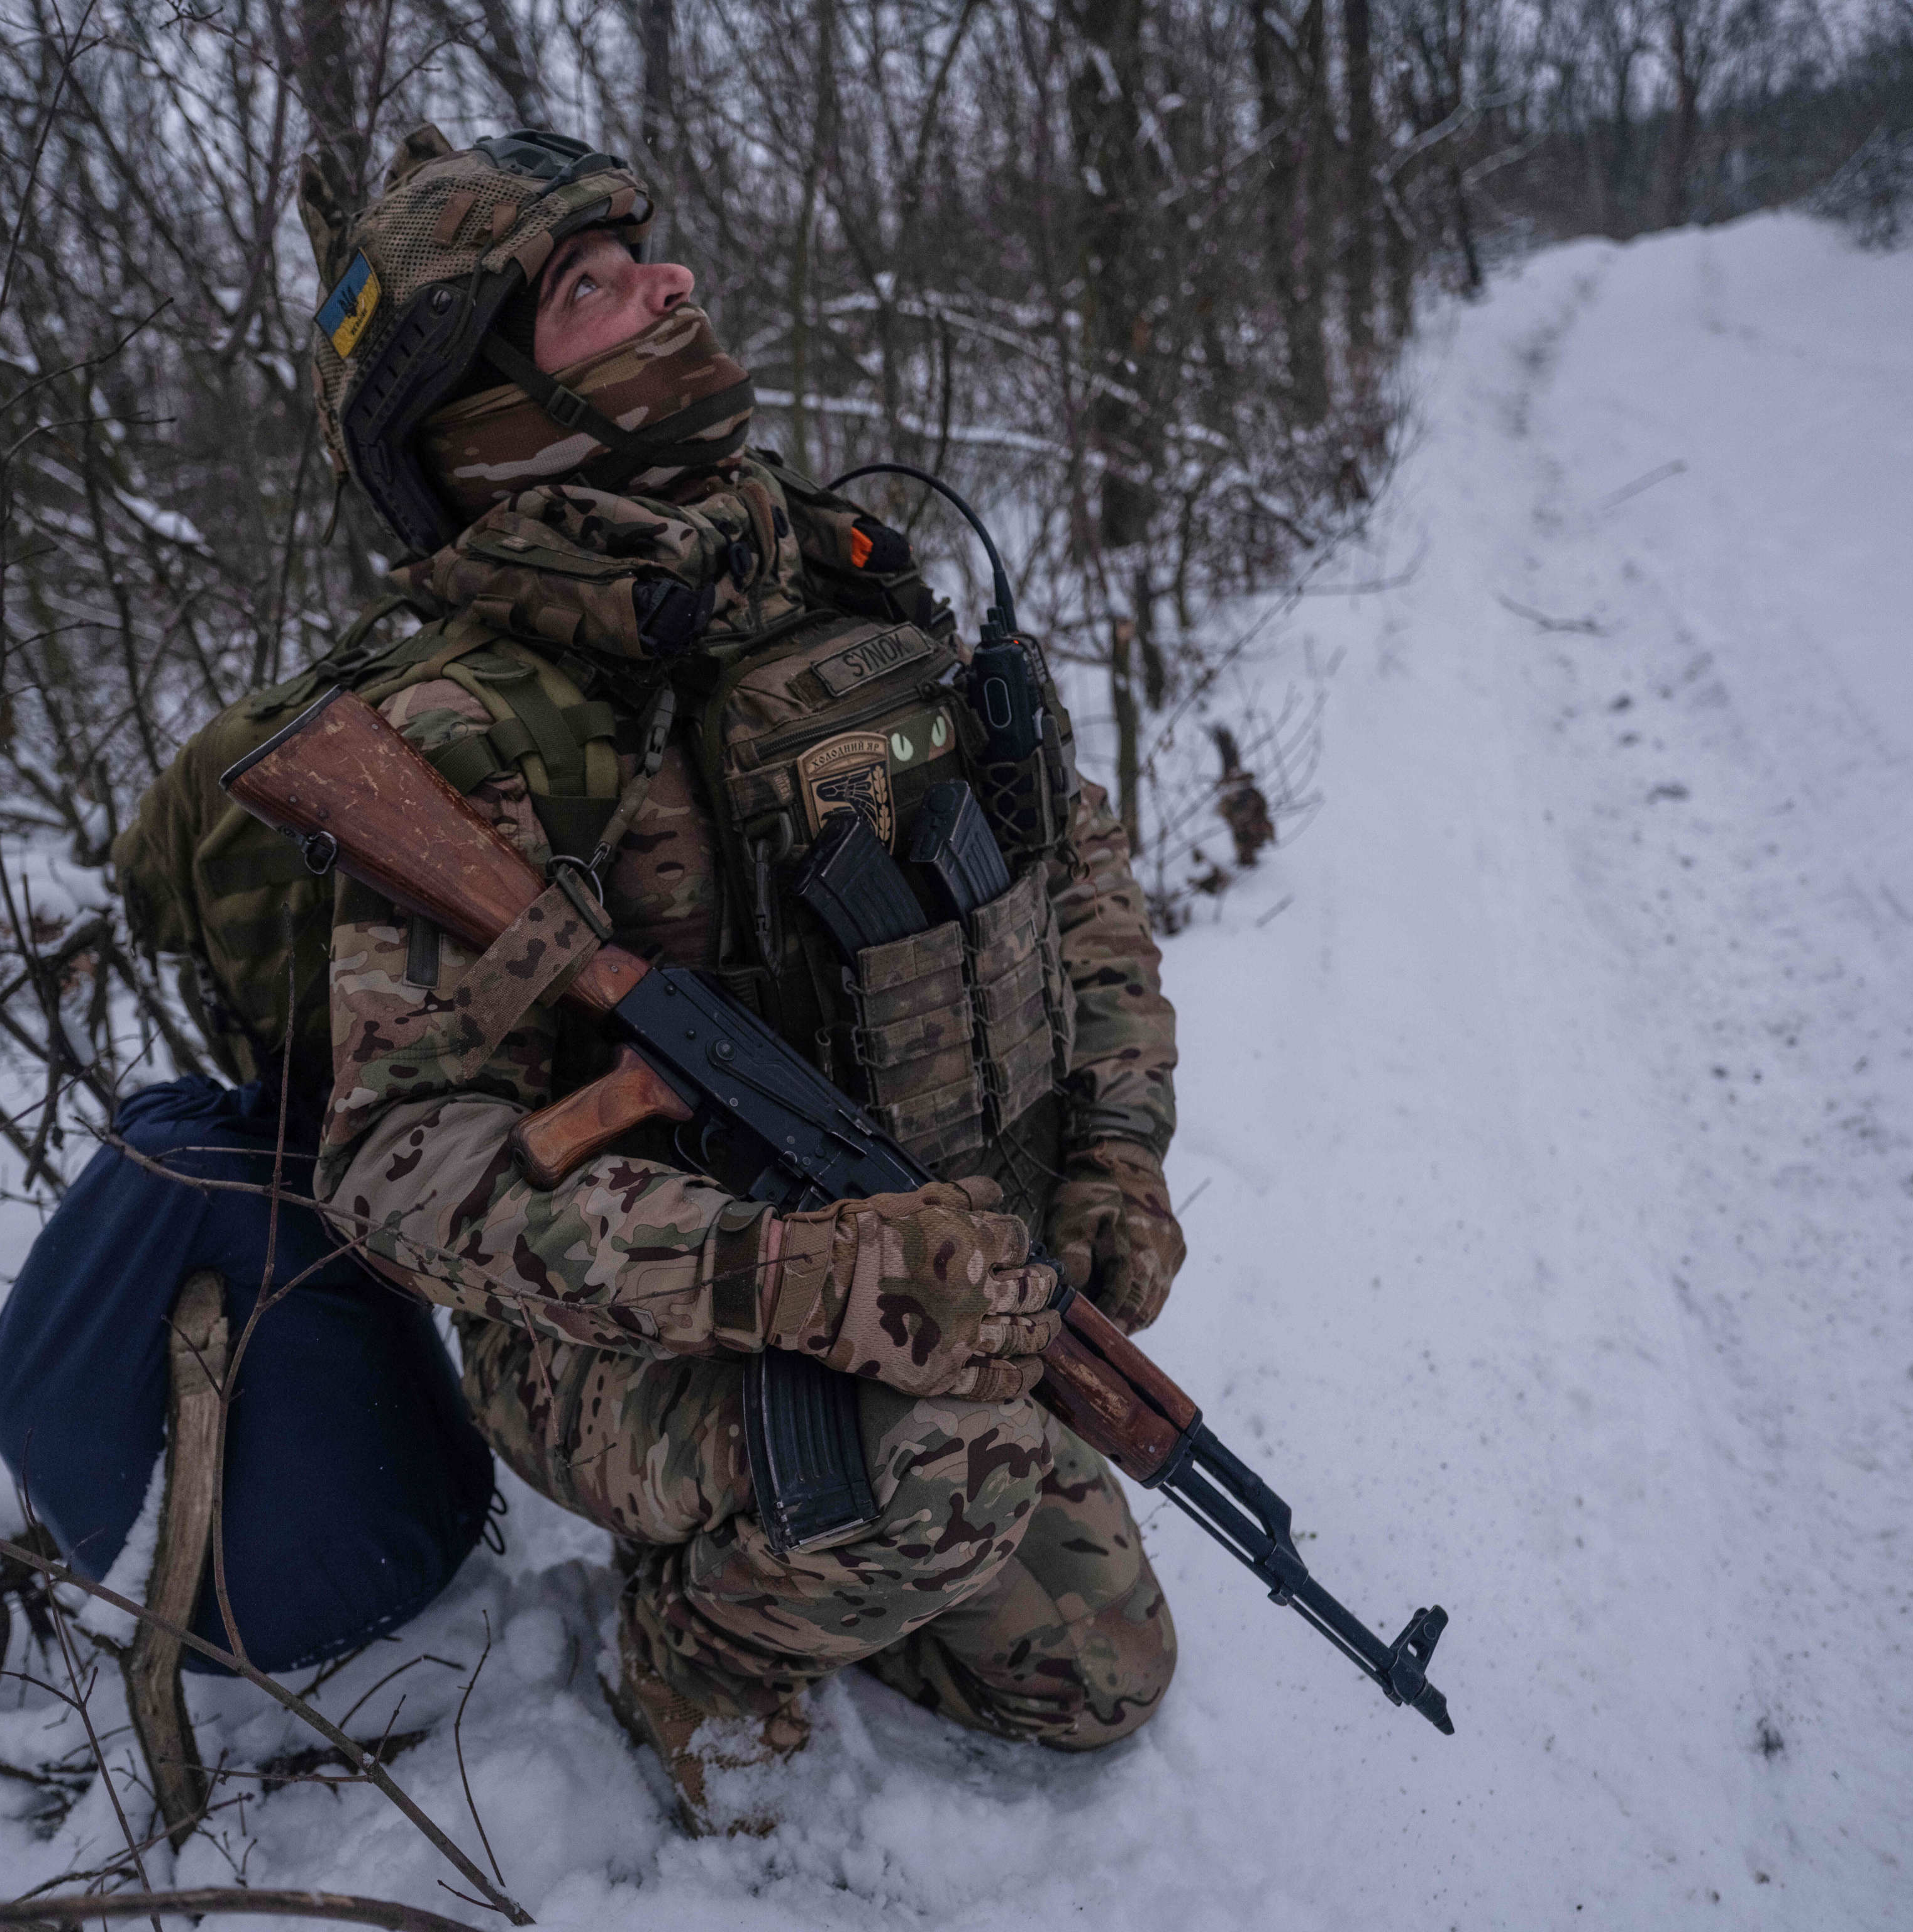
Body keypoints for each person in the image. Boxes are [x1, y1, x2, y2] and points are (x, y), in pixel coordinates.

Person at [117, 126, 1187, 1834]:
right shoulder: (472, 729)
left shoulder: (841, 573)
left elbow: (1076, 873)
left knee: (1097, 1677)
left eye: (649, 253)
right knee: (945, 1473)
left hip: (901, 1242)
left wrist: (1118, 1150)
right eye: (592, 285)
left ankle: (873, 1498)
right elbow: (402, 1171)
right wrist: (794, 1275)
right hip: (619, 1333)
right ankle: (699, 1661)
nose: (671, 281)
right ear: (474, 400)